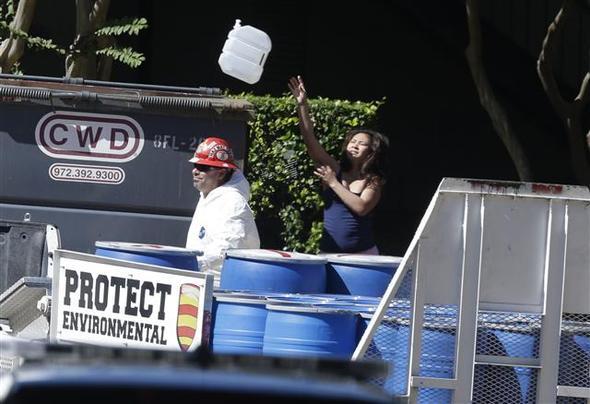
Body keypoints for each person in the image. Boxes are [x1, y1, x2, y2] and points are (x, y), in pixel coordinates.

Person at [288, 76, 389, 254]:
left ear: (371, 152)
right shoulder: (335, 169)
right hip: (330, 252)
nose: (355, 145)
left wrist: (333, 183)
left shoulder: (372, 181)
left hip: (363, 255)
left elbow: (361, 207)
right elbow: (310, 142)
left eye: (361, 143)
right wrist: (302, 105)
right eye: (352, 141)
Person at [185, 137, 260, 287]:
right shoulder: (209, 195)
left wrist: (189, 264)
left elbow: (226, 248)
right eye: (196, 165)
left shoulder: (233, 202)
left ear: (221, 173)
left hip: (220, 289)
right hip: (200, 284)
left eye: (203, 167)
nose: (195, 171)